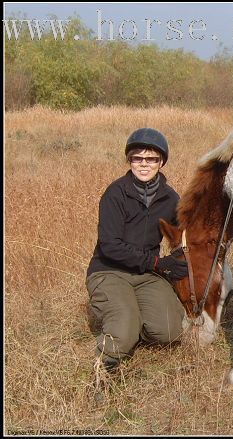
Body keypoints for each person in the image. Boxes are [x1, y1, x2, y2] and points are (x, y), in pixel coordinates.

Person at [86, 128, 189, 371]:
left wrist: (181, 257)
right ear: (129, 160)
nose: (144, 164)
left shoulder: (170, 198)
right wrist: (158, 264)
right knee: (122, 333)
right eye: (137, 158)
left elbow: (184, 234)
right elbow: (110, 246)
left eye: (151, 159)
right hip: (109, 271)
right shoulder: (115, 194)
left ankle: (133, 323)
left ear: (161, 162)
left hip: (145, 275)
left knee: (170, 332)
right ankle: (105, 369)